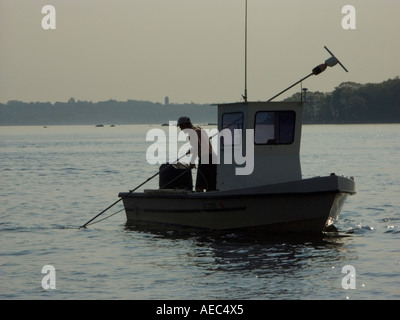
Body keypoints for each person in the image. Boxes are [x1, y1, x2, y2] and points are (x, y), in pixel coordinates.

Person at [177, 116, 217, 192]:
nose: (181, 129)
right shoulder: (200, 129)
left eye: (181, 126)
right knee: (211, 185)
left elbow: (197, 147)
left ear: (186, 125)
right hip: (213, 158)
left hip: (205, 159)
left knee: (199, 186)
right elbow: (203, 145)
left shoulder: (192, 133)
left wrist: (192, 162)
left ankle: (199, 202)